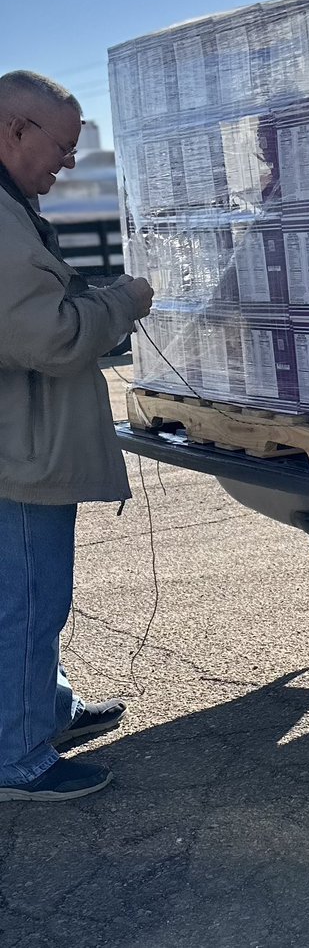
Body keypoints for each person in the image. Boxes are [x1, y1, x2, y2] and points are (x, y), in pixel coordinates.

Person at [0, 70, 154, 802]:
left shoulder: (14, 205)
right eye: (60, 147)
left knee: (33, 597)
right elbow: (52, 338)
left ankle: (46, 711)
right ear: (13, 130)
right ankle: (18, 758)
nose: (67, 162)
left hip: (21, 442)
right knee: (28, 603)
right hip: (18, 452)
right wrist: (122, 301)